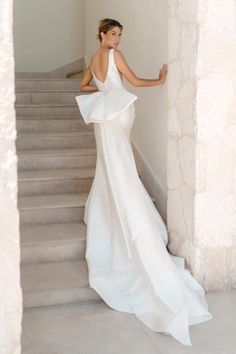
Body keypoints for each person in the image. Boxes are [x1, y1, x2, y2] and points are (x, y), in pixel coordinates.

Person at [75, 18, 213, 347]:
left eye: (120, 35)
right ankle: (130, 214)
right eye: (113, 34)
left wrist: (104, 91)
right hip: (118, 115)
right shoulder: (111, 56)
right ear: (102, 35)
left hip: (103, 117)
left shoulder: (94, 59)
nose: (117, 39)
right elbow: (135, 81)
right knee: (120, 165)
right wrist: (161, 78)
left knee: (112, 166)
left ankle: (115, 209)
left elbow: (83, 87)